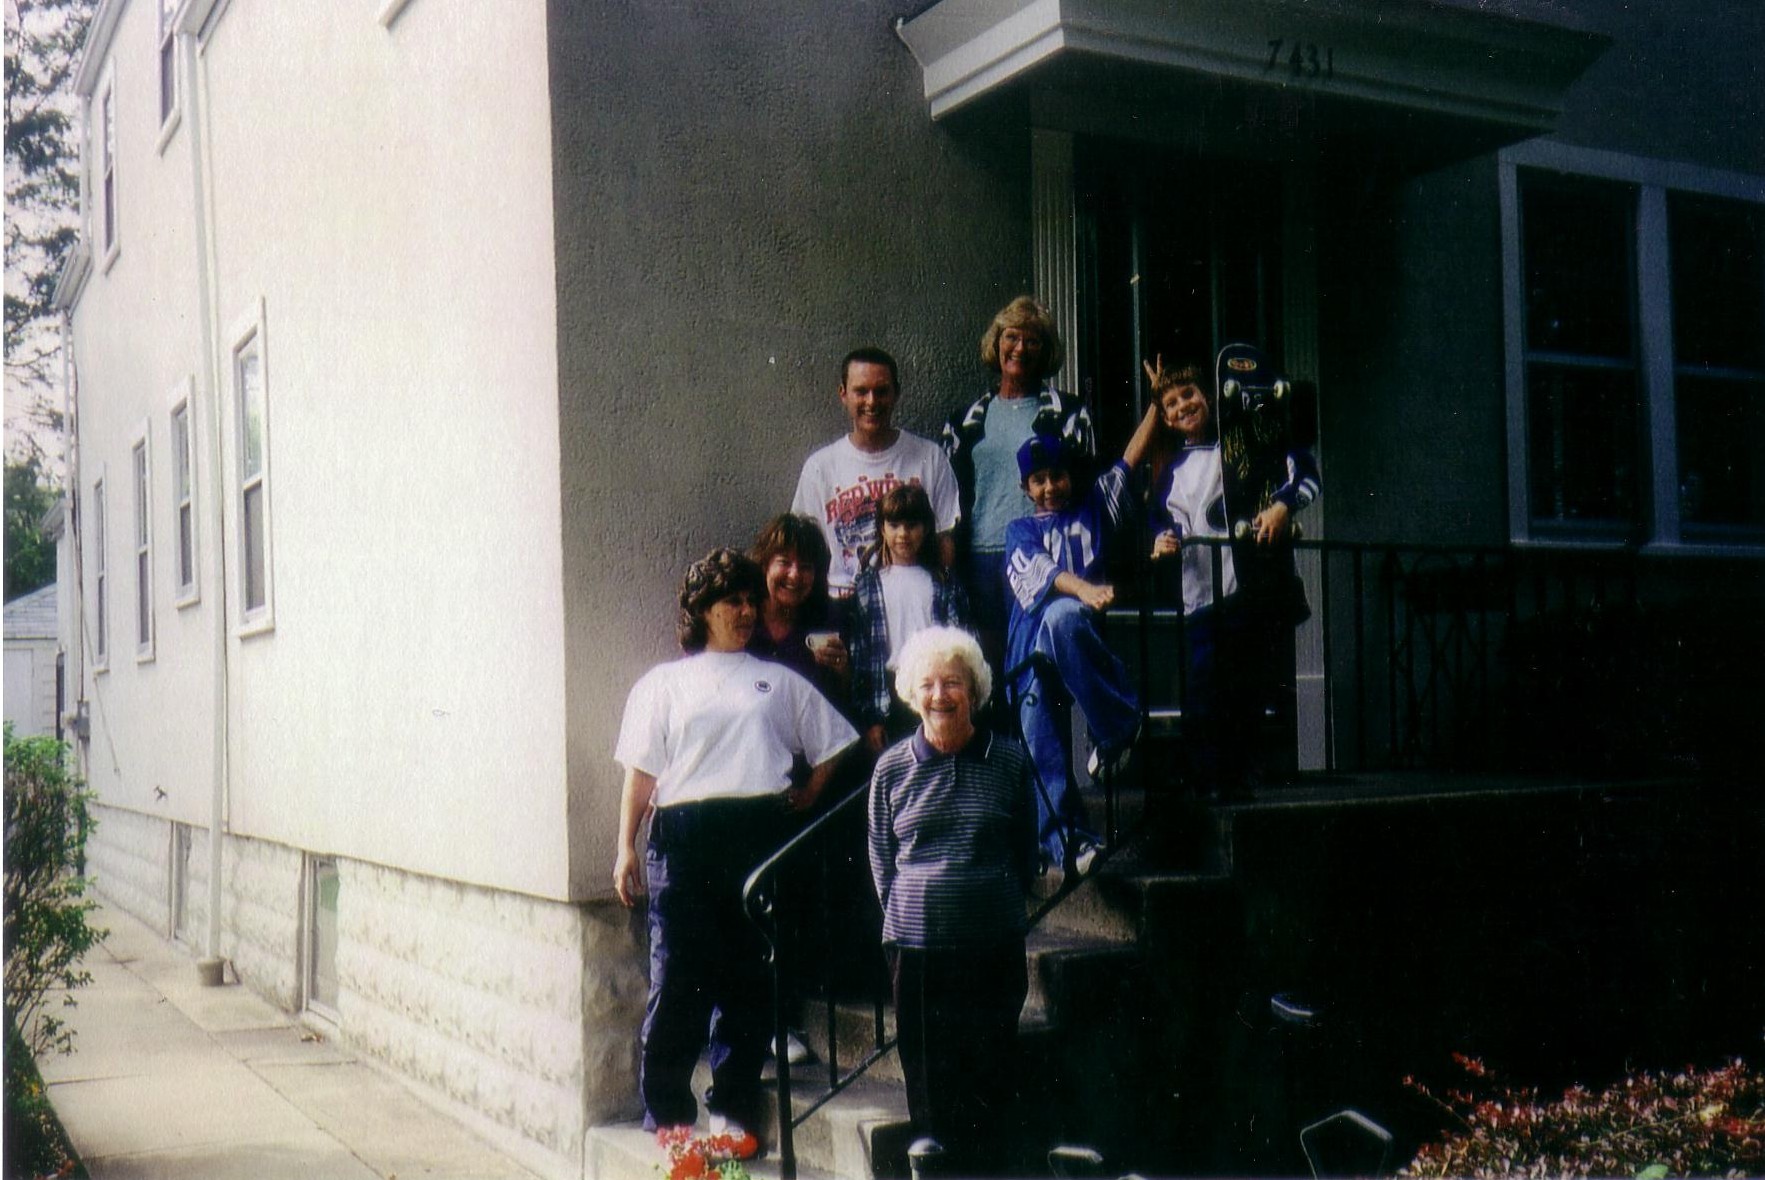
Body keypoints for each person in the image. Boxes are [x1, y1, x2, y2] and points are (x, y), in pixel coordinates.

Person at [613, 548, 859, 1148]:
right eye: (732, 601)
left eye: (752, 600)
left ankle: (733, 1113)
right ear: (701, 610)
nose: (747, 610)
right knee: (677, 984)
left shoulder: (776, 679)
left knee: (749, 984)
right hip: (684, 840)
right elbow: (642, 773)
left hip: (756, 840)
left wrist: (805, 795)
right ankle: (670, 1120)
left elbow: (834, 744)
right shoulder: (663, 683)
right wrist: (624, 847)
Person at [867, 626, 1036, 1175]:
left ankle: (986, 1162)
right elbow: (880, 853)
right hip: (917, 942)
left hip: (992, 936)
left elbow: (1026, 851)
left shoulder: (1009, 761)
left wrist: (994, 899)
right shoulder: (892, 767)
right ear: (912, 695)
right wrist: (909, 907)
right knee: (925, 1057)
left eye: (953, 683)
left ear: (975, 691)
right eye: (929, 684)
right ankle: (931, 1158)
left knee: (990, 1055)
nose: (940, 695)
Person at [1144, 356, 1319, 798]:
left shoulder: (1244, 448)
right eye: (1171, 403)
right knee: (1202, 687)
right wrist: (1161, 539)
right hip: (1199, 596)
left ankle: (1239, 778)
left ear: (1209, 396)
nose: (1183, 405)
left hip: (1246, 589)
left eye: (1189, 395)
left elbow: (1304, 471)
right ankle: (1206, 779)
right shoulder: (1170, 473)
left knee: (1244, 686)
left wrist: (1282, 506)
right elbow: (1160, 522)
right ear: (1164, 418)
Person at [1004, 403, 1162, 873]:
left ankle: (1116, 729)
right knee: (1041, 743)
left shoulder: (1093, 509)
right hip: (1031, 651)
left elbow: (1128, 462)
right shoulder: (1019, 530)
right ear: (1025, 487)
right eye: (1039, 480)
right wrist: (1087, 587)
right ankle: (1071, 844)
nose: (1050, 487)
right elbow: (1043, 575)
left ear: (1070, 476)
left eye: (1057, 476)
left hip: (1076, 642)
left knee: (1066, 618)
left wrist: (1156, 404)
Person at [942, 297, 1095, 677]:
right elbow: (948, 496)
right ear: (996, 344)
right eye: (1012, 337)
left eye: (1033, 340)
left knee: (1038, 668)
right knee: (985, 670)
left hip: (1042, 557)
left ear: (1047, 351)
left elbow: (1086, 488)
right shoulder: (965, 420)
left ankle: (1036, 740)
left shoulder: (1069, 413)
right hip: (981, 560)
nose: (1021, 348)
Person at [792, 347, 961, 602]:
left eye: (881, 391)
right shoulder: (820, 467)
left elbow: (945, 542)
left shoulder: (931, 457)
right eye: (861, 391)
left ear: (896, 394)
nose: (871, 402)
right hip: (845, 601)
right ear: (843, 394)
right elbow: (802, 550)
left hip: (914, 597)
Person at [846, 484, 972, 753]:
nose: (903, 534)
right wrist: (871, 719)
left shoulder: (943, 582)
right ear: (882, 528)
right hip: (887, 696)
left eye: (912, 525)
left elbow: (961, 646)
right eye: (894, 525)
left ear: (926, 529)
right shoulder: (868, 585)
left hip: (932, 689)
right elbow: (862, 655)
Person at [747, 512, 851, 706]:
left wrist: (841, 669)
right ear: (765, 565)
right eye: (784, 563)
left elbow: (840, 704)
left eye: (805, 567)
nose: (794, 575)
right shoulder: (743, 616)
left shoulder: (827, 620)